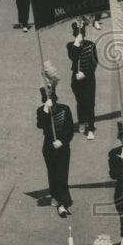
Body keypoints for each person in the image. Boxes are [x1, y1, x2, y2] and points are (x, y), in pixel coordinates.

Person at [36, 69, 74, 217]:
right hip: (48, 147)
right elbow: (40, 125)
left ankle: (63, 204)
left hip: (63, 147)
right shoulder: (41, 111)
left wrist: (62, 141)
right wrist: (45, 109)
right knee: (52, 173)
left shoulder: (65, 109)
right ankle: (54, 195)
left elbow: (70, 130)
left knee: (62, 175)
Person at [67, 20, 99, 139]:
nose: (79, 35)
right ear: (73, 34)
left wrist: (85, 73)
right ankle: (81, 122)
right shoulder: (70, 45)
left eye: (80, 34)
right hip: (76, 80)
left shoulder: (91, 45)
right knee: (80, 101)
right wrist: (76, 43)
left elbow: (95, 63)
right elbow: (72, 57)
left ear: (84, 34)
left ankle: (90, 128)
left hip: (89, 79)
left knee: (89, 103)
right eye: (76, 34)